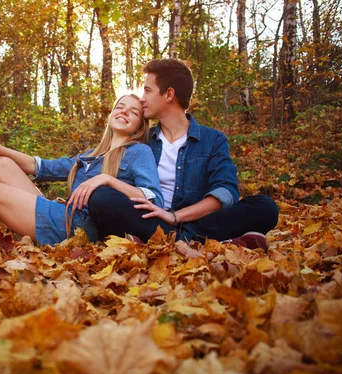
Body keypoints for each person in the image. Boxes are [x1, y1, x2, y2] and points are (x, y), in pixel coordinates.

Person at [0, 94, 164, 246]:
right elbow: (37, 166)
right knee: (2, 165)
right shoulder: (89, 156)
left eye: (133, 112)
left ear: (140, 126)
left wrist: (107, 180)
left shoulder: (138, 152)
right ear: (111, 114)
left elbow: (154, 198)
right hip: (65, 215)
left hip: (82, 229)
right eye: (120, 107)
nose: (124, 112)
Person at [87, 59, 279, 250]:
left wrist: (175, 217)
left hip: (196, 221)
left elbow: (226, 193)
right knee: (101, 197)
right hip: (149, 220)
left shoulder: (213, 140)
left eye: (147, 90)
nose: (142, 99)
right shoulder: (142, 142)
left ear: (169, 94)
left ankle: (174, 238)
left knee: (265, 207)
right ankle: (199, 240)